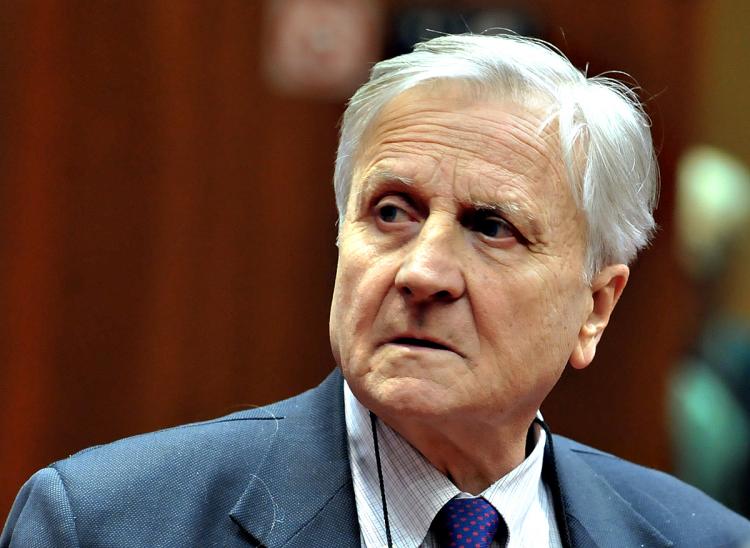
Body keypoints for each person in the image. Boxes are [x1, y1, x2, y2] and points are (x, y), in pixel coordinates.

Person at [2, 33, 749, 548]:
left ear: (595, 308)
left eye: (491, 228)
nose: (421, 272)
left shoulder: (703, 538)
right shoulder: (109, 523)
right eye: (391, 211)